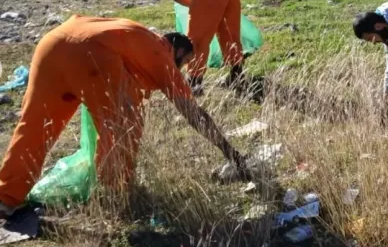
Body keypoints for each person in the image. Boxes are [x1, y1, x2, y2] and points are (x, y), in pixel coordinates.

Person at [0, 16, 250, 217]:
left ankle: (6, 197)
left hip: (51, 44)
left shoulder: (135, 38)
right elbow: (193, 114)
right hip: (91, 53)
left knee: (34, 126)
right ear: (178, 50)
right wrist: (230, 152)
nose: (181, 69)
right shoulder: (160, 55)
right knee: (124, 125)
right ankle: (114, 195)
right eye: (184, 62)